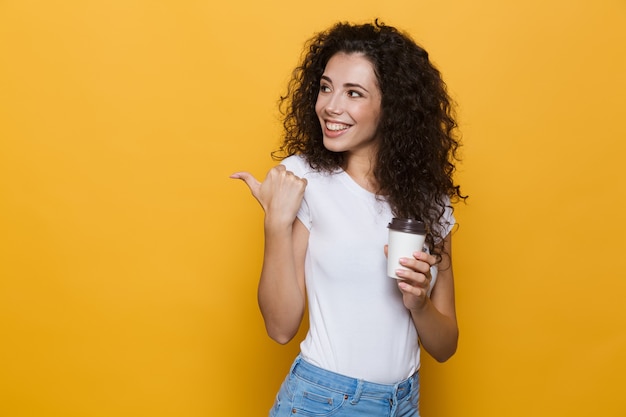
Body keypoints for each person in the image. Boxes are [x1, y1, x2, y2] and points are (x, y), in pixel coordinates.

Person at [231, 19, 465, 417]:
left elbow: (445, 347)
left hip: (403, 404)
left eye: (353, 93)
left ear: (392, 106)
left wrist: (419, 303)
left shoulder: (428, 201)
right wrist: (275, 223)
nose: (330, 106)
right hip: (323, 402)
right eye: (325, 87)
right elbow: (280, 327)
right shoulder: (303, 179)